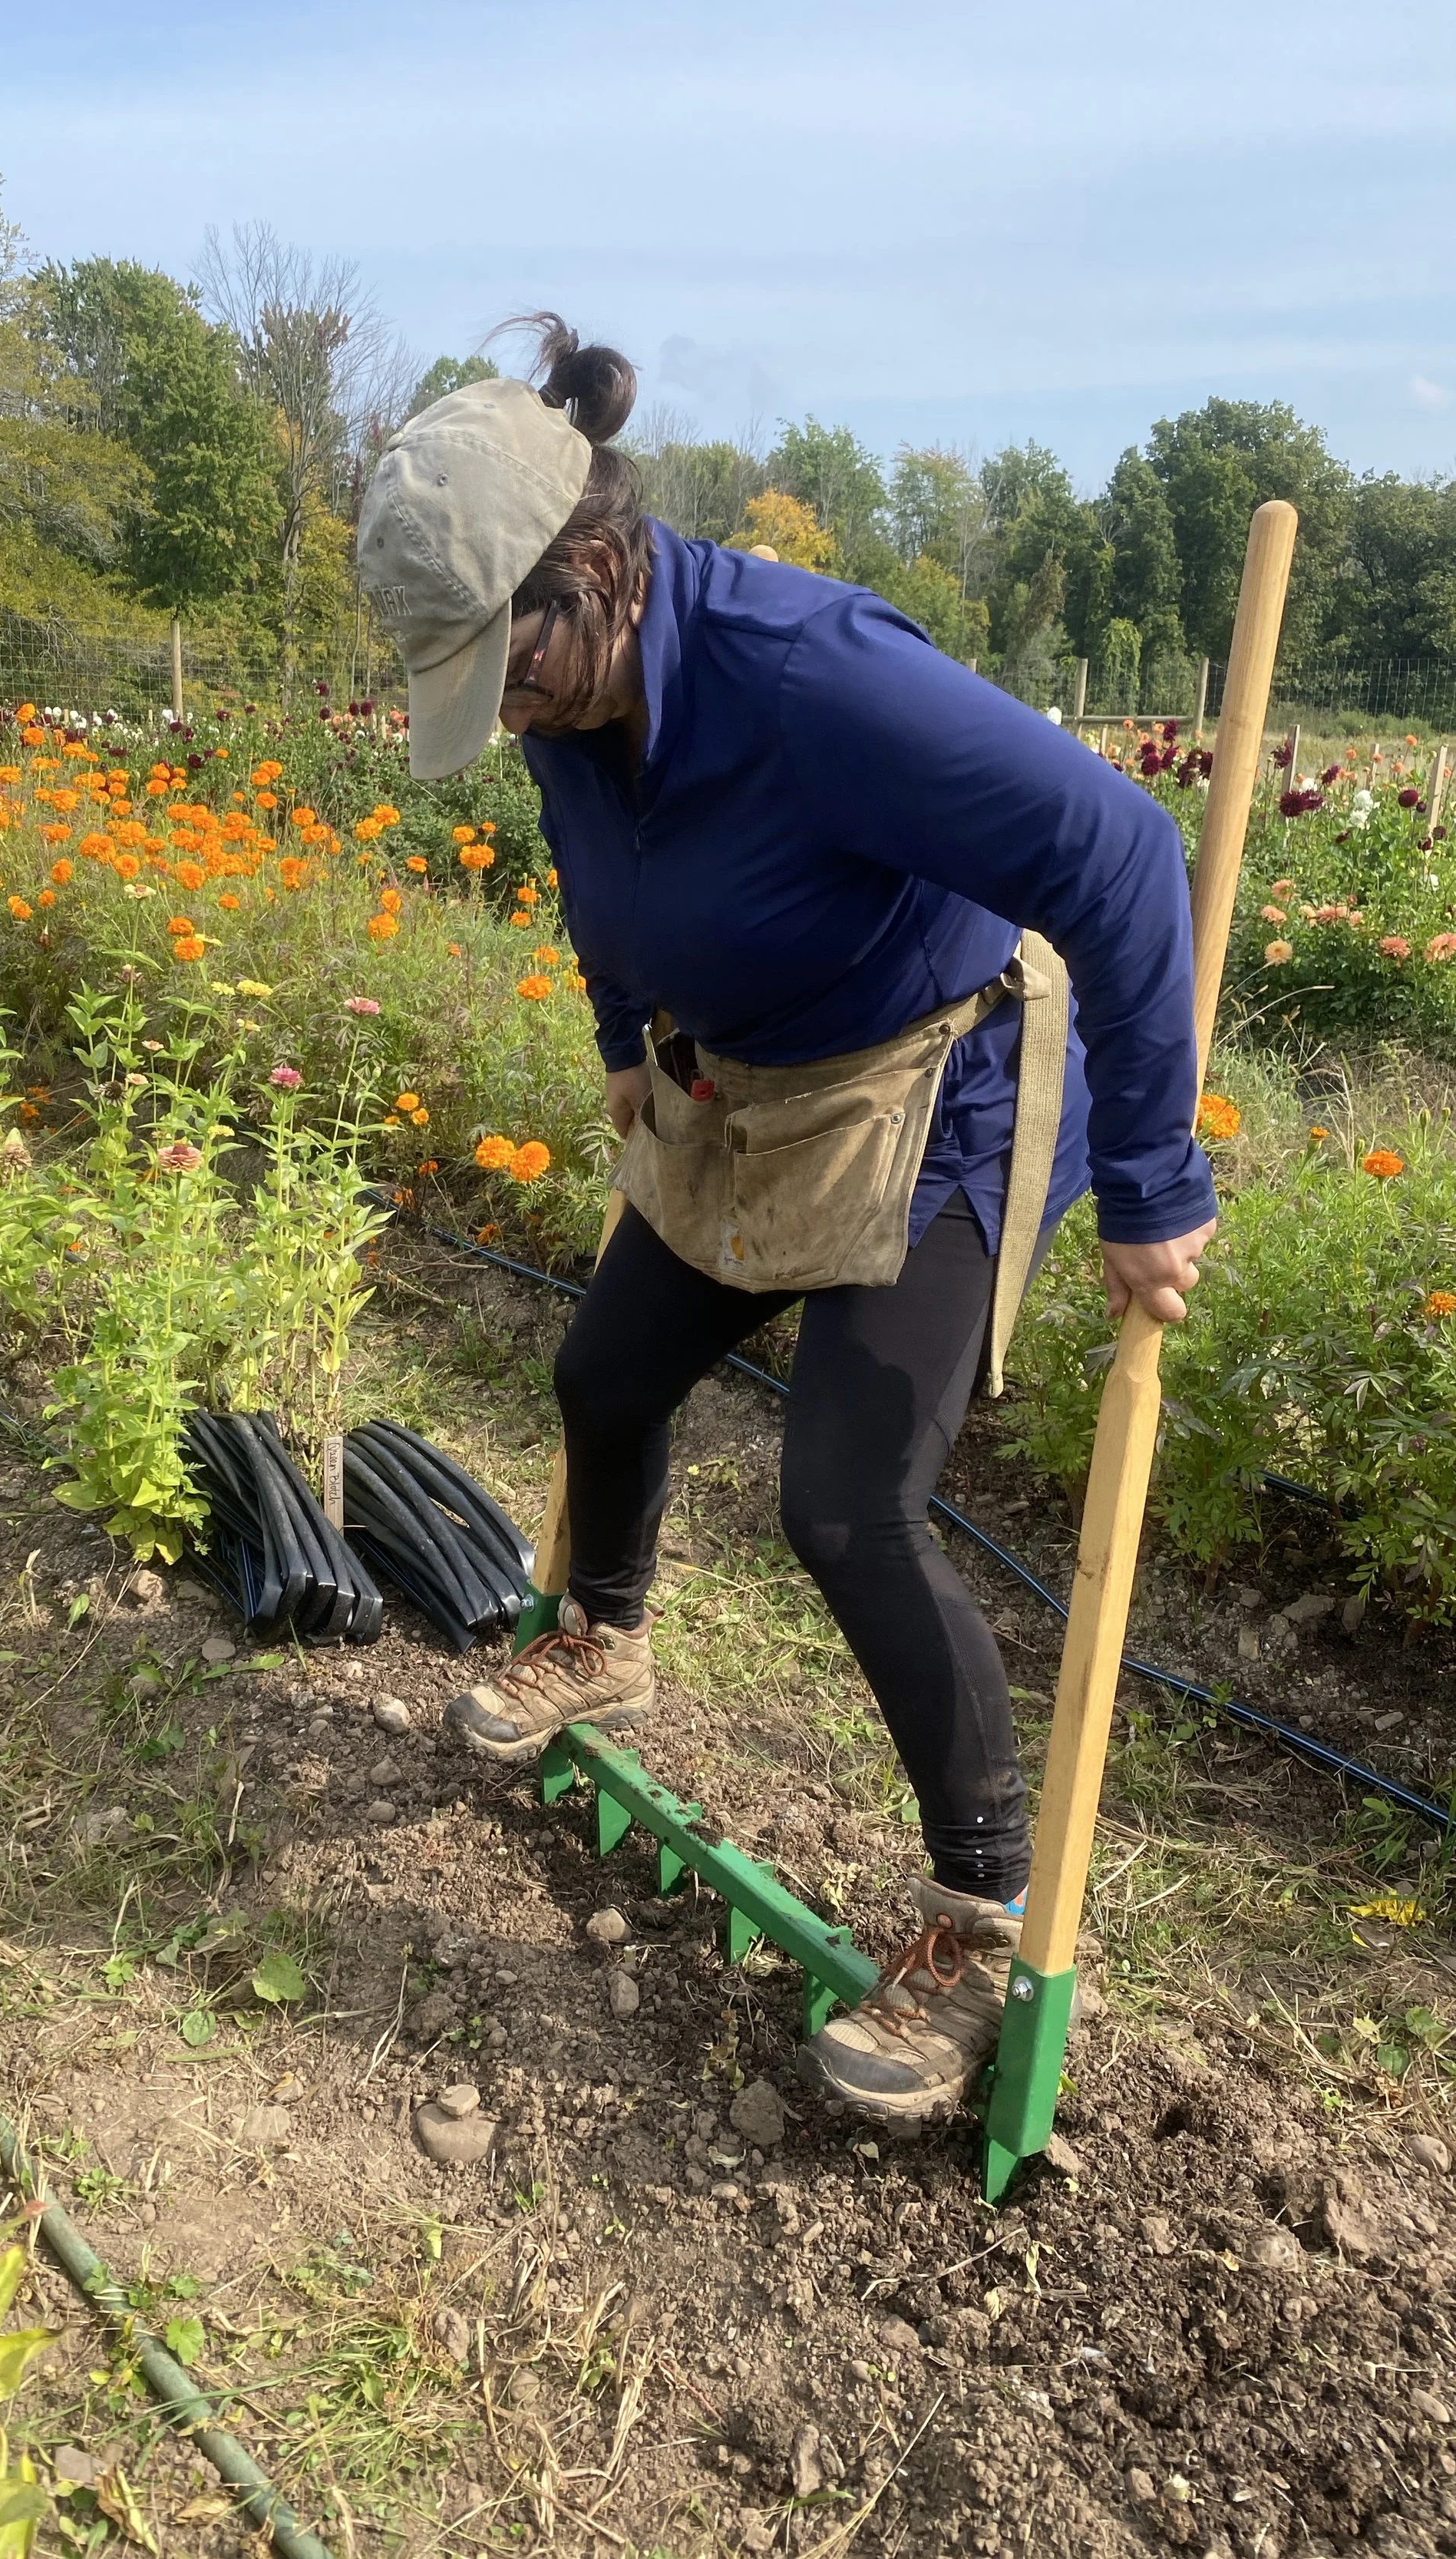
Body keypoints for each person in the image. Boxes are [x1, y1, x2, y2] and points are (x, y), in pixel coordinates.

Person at [355, 320, 1217, 2131]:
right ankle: (604, 1632)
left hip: (936, 1088)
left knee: (838, 1500)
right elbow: (600, 875)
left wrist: (1150, 1183)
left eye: (496, 667)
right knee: (603, 1370)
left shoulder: (815, 677)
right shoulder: (568, 688)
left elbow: (1123, 856)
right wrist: (618, 1044)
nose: (496, 712)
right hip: (742, 1080)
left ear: (587, 572)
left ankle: (978, 1916)